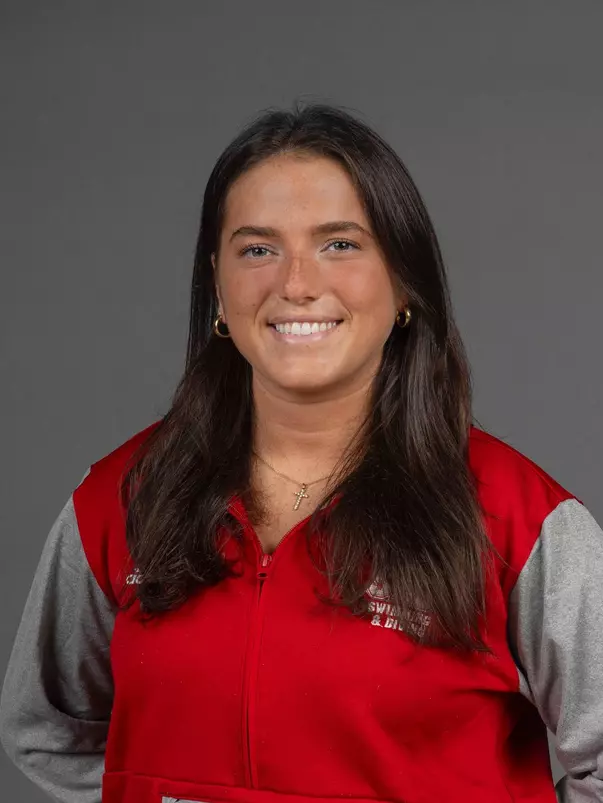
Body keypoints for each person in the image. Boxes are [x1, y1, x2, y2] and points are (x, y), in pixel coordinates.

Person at [1, 102, 602, 803]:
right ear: (218, 289)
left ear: (402, 283)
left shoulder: (517, 517)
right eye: (257, 249)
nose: (295, 284)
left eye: (339, 243)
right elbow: (43, 727)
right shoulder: (122, 496)